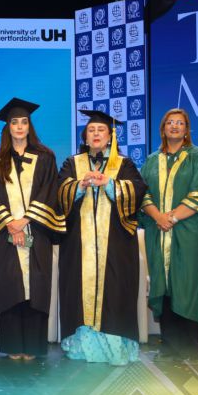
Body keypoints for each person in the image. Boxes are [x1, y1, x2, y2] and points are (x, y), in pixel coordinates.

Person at [58, 110, 147, 366]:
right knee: (79, 291)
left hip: (116, 246)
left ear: (110, 136)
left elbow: (138, 192)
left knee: (115, 293)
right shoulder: (72, 163)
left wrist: (110, 183)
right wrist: (80, 185)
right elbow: (59, 192)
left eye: (101, 130)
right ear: (85, 137)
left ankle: (114, 350)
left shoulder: (124, 164)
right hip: (79, 244)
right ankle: (82, 348)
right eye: (91, 130)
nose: (96, 134)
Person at [139, 108, 198, 360]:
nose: (175, 126)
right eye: (170, 122)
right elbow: (143, 193)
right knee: (164, 283)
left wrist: (172, 217)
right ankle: (169, 346)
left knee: (186, 284)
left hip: (190, 233)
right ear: (163, 129)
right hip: (158, 233)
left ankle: (189, 348)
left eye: (180, 123)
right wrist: (158, 217)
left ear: (187, 129)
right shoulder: (152, 160)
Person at [0, 99, 65, 360]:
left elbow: (50, 191)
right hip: (6, 234)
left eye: (24, 122)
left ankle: (34, 346)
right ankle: (12, 345)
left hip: (36, 232)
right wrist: (10, 222)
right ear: (7, 127)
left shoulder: (46, 157)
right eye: (14, 122)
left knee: (37, 287)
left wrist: (26, 220)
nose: (19, 126)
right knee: (10, 286)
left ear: (30, 126)